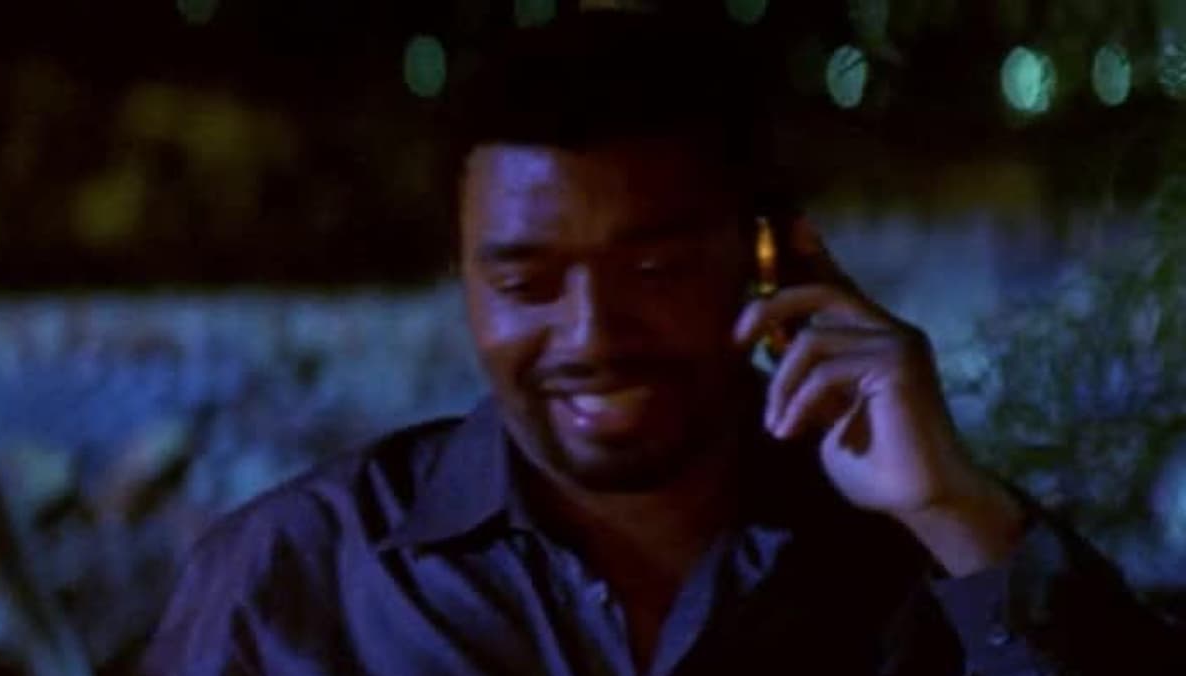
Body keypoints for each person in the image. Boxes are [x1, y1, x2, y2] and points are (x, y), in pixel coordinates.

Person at [140, 12, 1183, 676]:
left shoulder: (916, 560)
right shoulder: (301, 574)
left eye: (654, 270)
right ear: (462, 279)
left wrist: (953, 507)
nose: (592, 335)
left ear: (772, 256)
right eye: (526, 283)